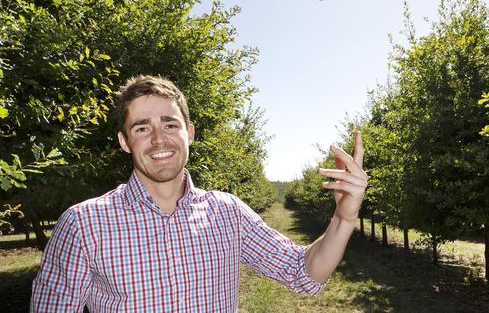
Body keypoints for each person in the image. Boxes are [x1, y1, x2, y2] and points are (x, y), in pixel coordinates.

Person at [31, 75, 368, 312]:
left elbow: (304, 272)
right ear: (124, 141)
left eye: (170, 124)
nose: (159, 140)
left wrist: (344, 215)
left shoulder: (227, 212)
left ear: (189, 133)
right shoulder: (83, 224)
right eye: (142, 128)